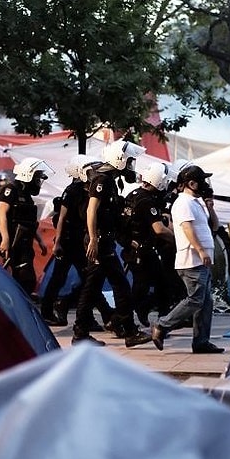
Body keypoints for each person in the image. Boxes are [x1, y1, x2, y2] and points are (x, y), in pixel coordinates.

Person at [71, 139, 152, 348]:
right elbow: (92, 209)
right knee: (107, 287)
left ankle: (92, 332)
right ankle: (125, 331)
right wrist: (93, 239)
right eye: (130, 160)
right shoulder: (103, 179)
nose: (132, 165)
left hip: (104, 240)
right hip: (99, 241)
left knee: (102, 287)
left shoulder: (110, 180)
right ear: (120, 160)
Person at [151, 164, 225, 354]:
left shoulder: (196, 203)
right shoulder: (183, 202)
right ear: (191, 183)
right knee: (195, 300)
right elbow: (187, 229)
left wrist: (210, 207)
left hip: (201, 260)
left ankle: (201, 341)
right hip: (192, 259)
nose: (205, 185)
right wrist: (200, 250)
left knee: (205, 303)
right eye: (201, 181)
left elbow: (214, 226)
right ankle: (162, 325)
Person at [37, 154, 99, 326]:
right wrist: (57, 243)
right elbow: (62, 218)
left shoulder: (88, 189)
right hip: (68, 241)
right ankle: (47, 311)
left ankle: (74, 308)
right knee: (59, 278)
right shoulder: (72, 191)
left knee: (88, 278)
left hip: (79, 241)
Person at [119, 161, 175, 327]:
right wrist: (177, 240)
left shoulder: (134, 194)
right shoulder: (147, 201)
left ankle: (160, 317)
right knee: (142, 287)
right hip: (141, 250)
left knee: (157, 283)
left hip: (135, 248)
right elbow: (159, 229)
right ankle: (119, 319)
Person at [0, 157, 50, 296]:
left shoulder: (27, 196)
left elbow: (29, 223)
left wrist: (40, 241)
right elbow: (1, 214)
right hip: (11, 243)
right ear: (28, 175)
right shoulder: (11, 189)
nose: (38, 182)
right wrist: (5, 239)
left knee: (26, 280)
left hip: (25, 243)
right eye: (37, 178)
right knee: (19, 278)